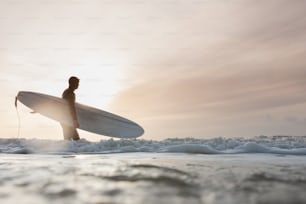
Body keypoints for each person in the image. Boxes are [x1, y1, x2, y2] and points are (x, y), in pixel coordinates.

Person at [61, 76, 80, 140]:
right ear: (72, 84)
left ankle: (68, 149)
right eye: (77, 83)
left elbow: (60, 104)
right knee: (76, 140)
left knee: (68, 140)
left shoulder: (66, 91)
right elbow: (71, 107)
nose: (78, 85)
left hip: (63, 118)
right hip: (67, 119)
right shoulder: (70, 94)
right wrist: (75, 120)